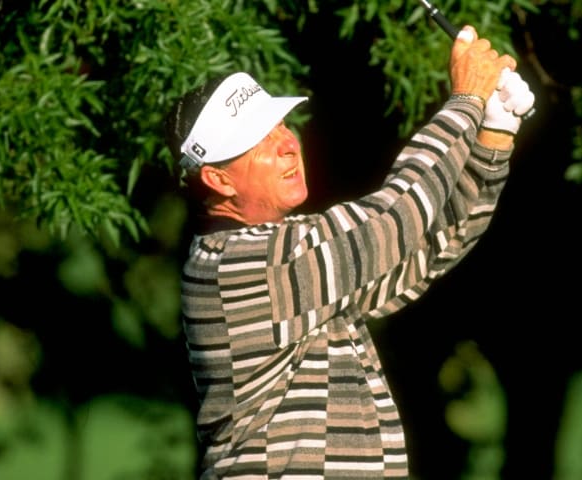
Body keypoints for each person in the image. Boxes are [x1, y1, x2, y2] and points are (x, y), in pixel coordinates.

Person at [163, 25, 535, 479]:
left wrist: (493, 136)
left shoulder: (296, 257)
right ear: (218, 180)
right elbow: (393, 220)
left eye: (280, 125)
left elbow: (429, 245)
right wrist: (464, 105)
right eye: (259, 142)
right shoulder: (238, 266)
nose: (287, 145)